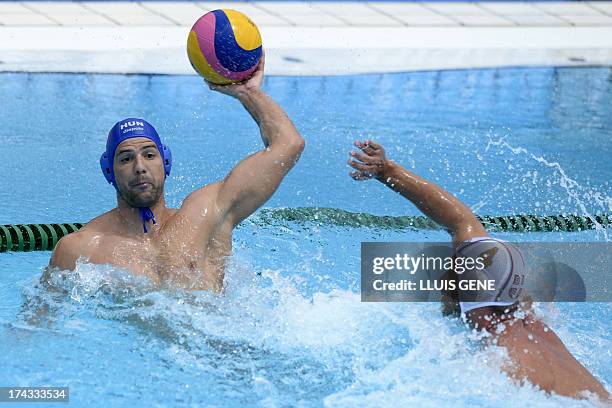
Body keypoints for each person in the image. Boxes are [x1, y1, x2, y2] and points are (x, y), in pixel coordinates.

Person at [348, 139, 610, 401]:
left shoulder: (500, 365)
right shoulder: (532, 321)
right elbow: (461, 221)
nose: (441, 288)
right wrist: (387, 171)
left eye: (450, 280)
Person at [45, 55, 304, 291]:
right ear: (108, 171)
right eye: (125, 158)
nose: (139, 166)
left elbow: (288, 144)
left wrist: (248, 93)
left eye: (149, 154)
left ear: (165, 162)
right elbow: (39, 320)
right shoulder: (80, 248)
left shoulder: (207, 214)